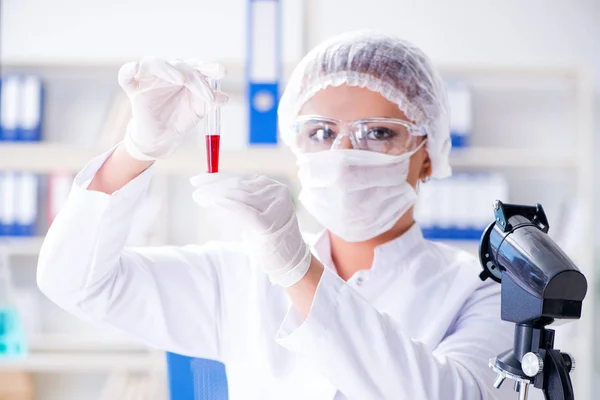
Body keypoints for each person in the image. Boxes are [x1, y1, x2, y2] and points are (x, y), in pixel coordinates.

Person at [38, 31, 513, 399]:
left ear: (427, 154)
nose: (344, 153)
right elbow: (74, 282)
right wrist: (137, 149)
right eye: (322, 132)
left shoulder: (482, 292)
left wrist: (296, 269)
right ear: (296, 146)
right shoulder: (240, 275)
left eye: (378, 133)